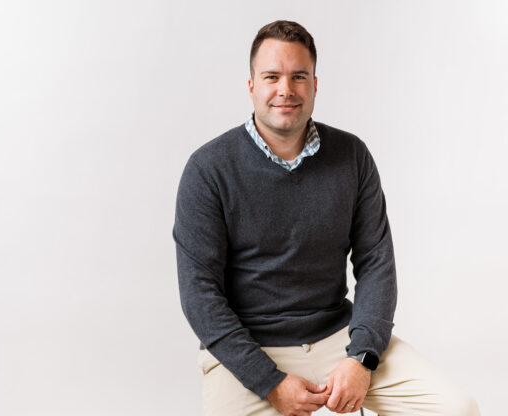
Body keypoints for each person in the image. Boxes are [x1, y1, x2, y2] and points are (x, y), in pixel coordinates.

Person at [172, 20, 480, 416]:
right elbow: (199, 296)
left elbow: (376, 263)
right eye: (272, 77)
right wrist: (270, 382)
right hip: (249, 347)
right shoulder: (208, 169)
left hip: (338, 338)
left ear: (315, 84)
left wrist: (362, 358)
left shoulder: (352, 156)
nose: (286, 89)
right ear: (252, 86)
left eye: (298, 76)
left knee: (458, 408)